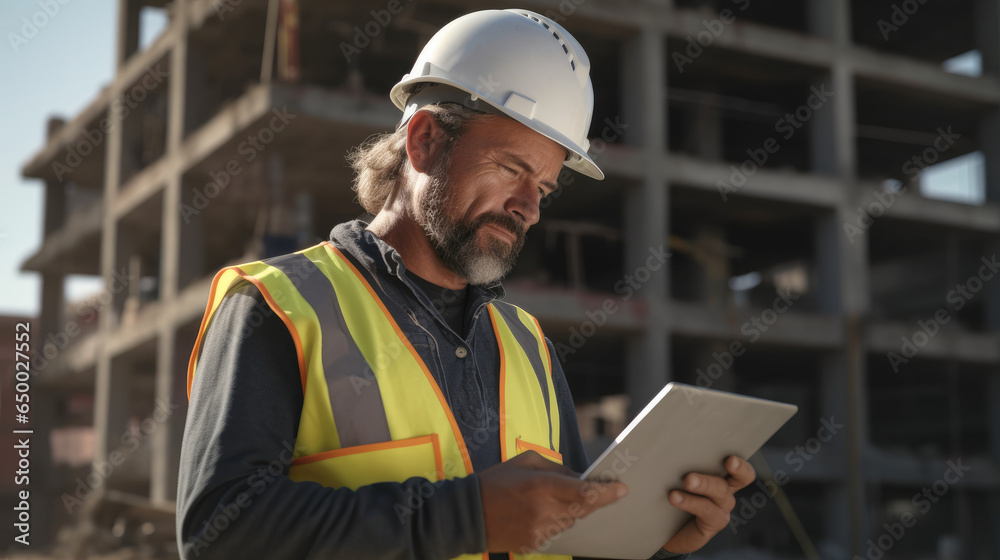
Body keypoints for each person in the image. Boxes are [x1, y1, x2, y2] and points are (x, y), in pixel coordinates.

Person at [176, 9, 754, 560]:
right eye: (511, 169)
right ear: (424, 140)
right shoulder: (279, 307)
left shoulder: (527, 345)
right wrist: (465, 517)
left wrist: (656, 537)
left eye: (545, 190)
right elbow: (219, 533)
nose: (529, 207)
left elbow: (559, 536)